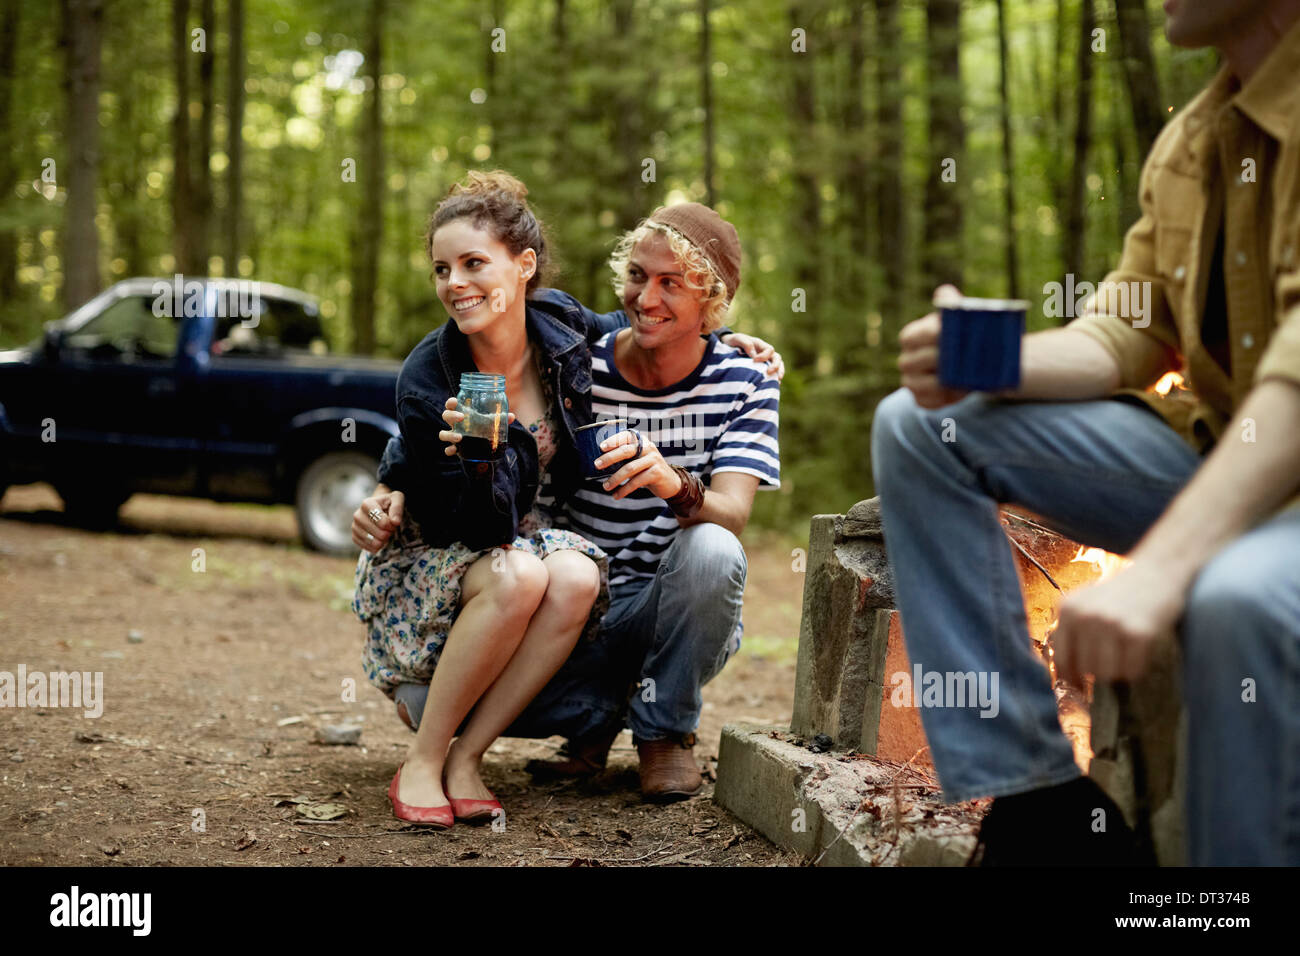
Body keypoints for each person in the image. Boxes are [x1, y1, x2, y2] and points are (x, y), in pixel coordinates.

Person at [870, 0, 1300, 865]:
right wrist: (987, 364)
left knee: (1235, 599)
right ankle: (1041, 808)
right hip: (1229, 449)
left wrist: (1164, 575)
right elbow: (1129, 331)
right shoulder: (1195, 137)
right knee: (919, 427)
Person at [359, 202, 782, 802]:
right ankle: (579, 721)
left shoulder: (585, 342)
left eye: (672, 284)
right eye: (638, 276)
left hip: (630, 596)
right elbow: (421, 437)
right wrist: (396, 483)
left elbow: (733, 511)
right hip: (517, 575)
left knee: (671, 556)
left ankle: (660, 731)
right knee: (449, 680)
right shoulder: (534, 363)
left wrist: (674, 475)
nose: (646, 298)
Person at [352, 170, 617, 829]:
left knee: (578, 575)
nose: (455, 284)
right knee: (519, 570)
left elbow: (629, 327)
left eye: (474, 263)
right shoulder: (437, 377)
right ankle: (422, 759)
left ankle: (469, 757)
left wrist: (721, 342)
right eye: (442, 269)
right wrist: (483, 452)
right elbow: (476, 524)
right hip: (444, 545)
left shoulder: (559, 325)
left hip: (519, 532)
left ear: (525, 266)